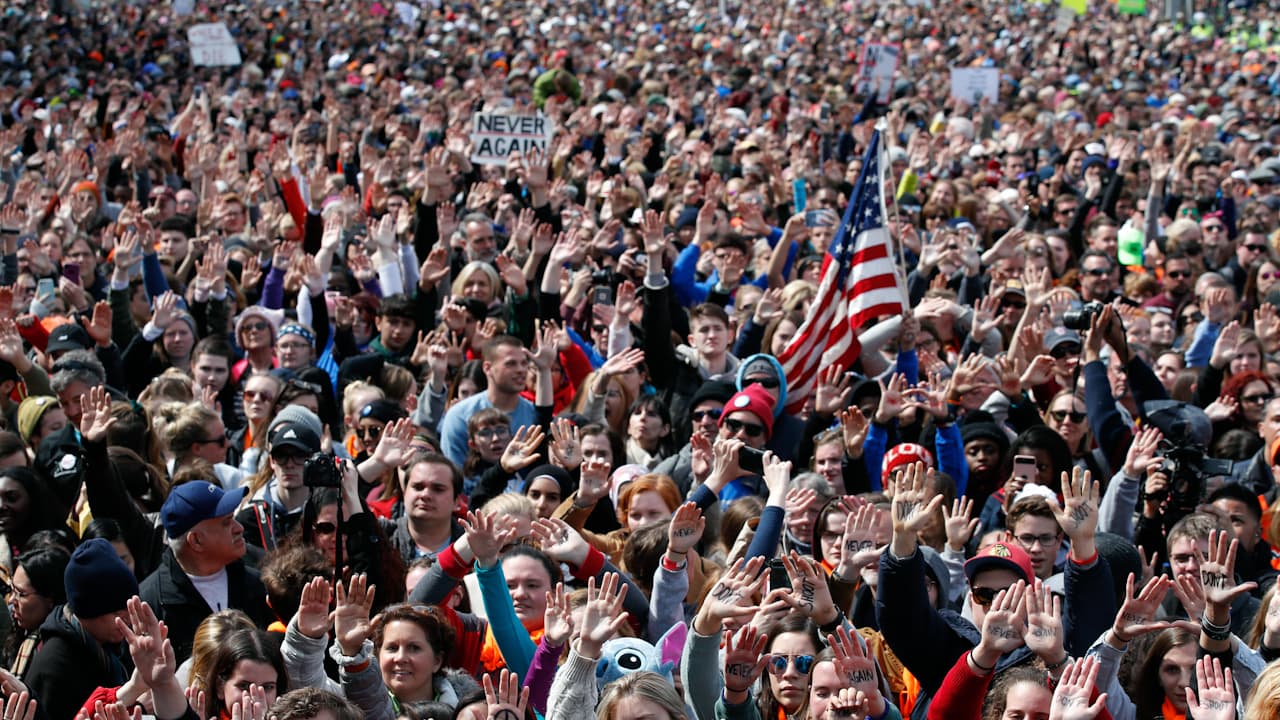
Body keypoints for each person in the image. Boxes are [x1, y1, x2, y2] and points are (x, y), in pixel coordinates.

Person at [140, 480, 271, 663]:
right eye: (226, 523)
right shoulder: (151, 604)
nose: (239, 528)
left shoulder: (259, 585)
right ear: (196, 541)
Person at [24, 538, 138, 720]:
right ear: (89, 611)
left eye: (129, 609)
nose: (128, 619)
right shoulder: (54, 667)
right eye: (117, 611)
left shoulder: (112, 645)